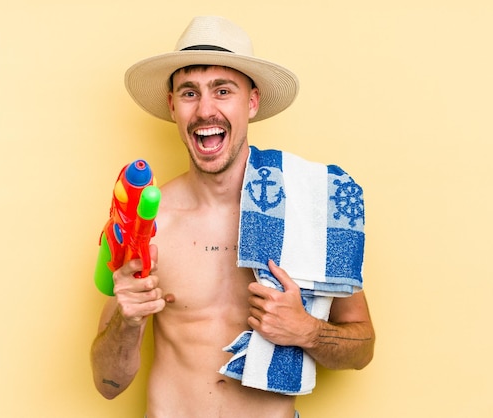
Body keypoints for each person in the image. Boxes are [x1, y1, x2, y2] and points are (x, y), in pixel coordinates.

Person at [90, 16, 375, 418]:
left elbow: (362, 348)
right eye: (189, 93)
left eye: (223, 91)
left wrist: (307, 330)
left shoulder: (308, 208)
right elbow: (107, 385)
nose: (205, 110)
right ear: (173, 105)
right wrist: (127, 321)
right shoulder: (145, 224)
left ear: (252, 102)